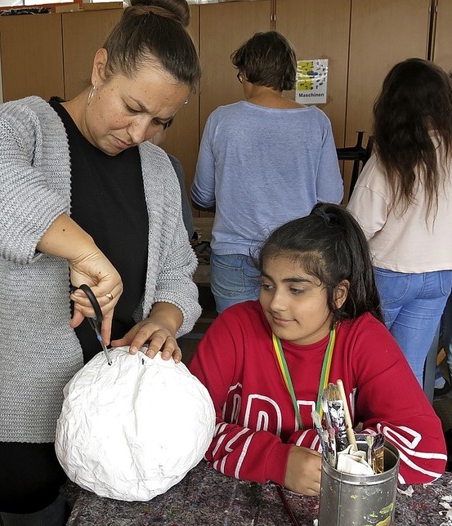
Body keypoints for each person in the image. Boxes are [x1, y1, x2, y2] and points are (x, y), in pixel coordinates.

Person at [0, 0, 202, 523]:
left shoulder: (158, 170)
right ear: (101, 68)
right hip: (18, 403)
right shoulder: (28, 129)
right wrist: (83, 251)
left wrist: (164, 320)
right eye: (132, 106)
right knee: (33, 512)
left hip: (119, 414)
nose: (139, 132)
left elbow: (176, 270)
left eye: (160, 120)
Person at [189, 203, 447, 496]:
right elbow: (183, 429)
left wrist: (314, 450)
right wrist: (276, 460)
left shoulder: (362, 338)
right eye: (267, 285)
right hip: (229, 497)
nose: (275, 304)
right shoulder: (234, 328)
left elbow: (426, 452)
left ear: (338, 295)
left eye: (296, 290)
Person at [191, 31, 343, 314]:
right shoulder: (316, 122)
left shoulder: (221, 119)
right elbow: (330, 196)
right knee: (288, 345)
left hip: (233, 255)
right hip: (296, 254)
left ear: (246, 72)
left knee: (240, 344)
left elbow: (202, 193)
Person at [347, 58, 452, 392]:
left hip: (388, 275)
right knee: (407, 366)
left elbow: (358, 226)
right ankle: (400, 434)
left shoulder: (391, 156)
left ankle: (362, 429)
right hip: (441, 275)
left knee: (364, 357)